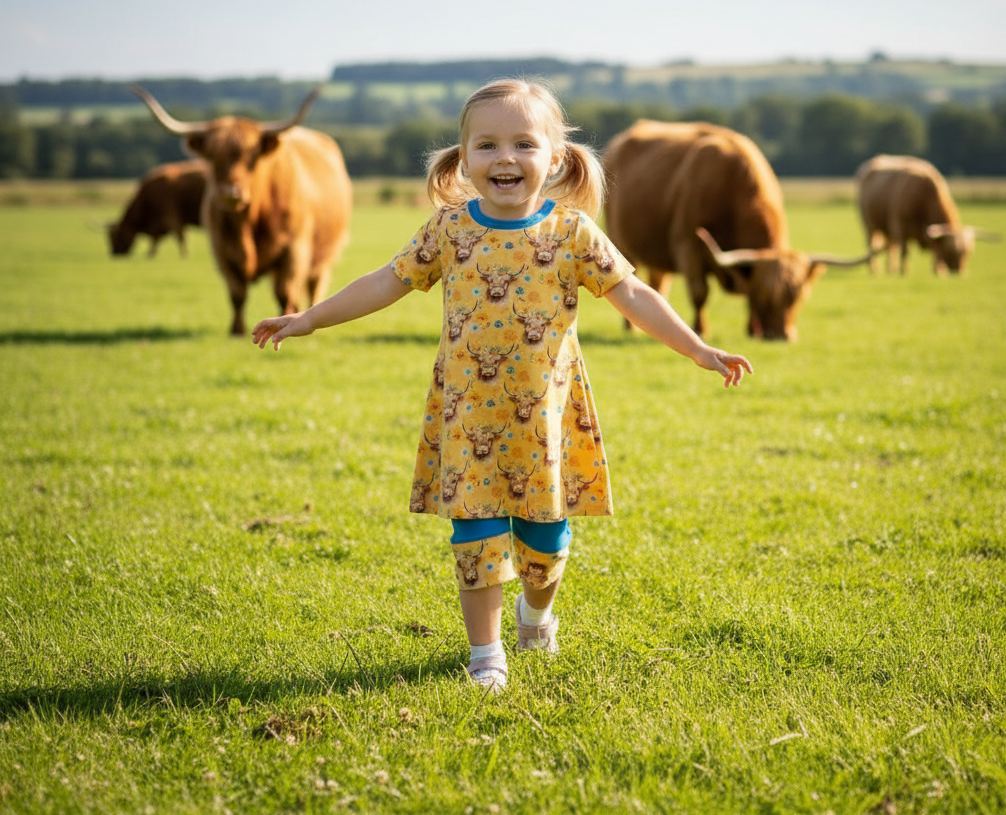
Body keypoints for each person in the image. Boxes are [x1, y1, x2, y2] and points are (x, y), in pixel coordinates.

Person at [251, 79, 752, 693]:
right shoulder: (450, 229)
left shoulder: (573, 233)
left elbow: (635, 294)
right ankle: (486, 656)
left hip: (545, 419)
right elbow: (386, 281)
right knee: (476, 534)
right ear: (464, 159)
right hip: (469, 416)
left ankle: (535, 615)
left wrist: (698, 348)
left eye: (522, 143)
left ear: (555, 158)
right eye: (486, 145)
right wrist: (307, 317)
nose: (504, 158)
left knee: (545, 548)